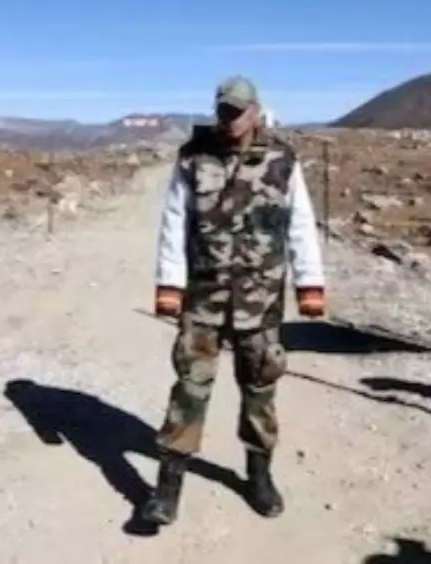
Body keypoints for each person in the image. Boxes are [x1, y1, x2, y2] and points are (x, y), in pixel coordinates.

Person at [140, 75, 326, 525]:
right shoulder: (194, 157)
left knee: (260, 388)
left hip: (260, 299)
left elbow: (300, 223)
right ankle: (168, 487)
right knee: (190, 387)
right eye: (224, 110)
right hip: (203, 297)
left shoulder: (283, 159)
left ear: (255, 111)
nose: (231, 119)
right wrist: (169, 285)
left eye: (239, 111)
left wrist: (310, 283)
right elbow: (174, 222)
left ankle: (258, 475)